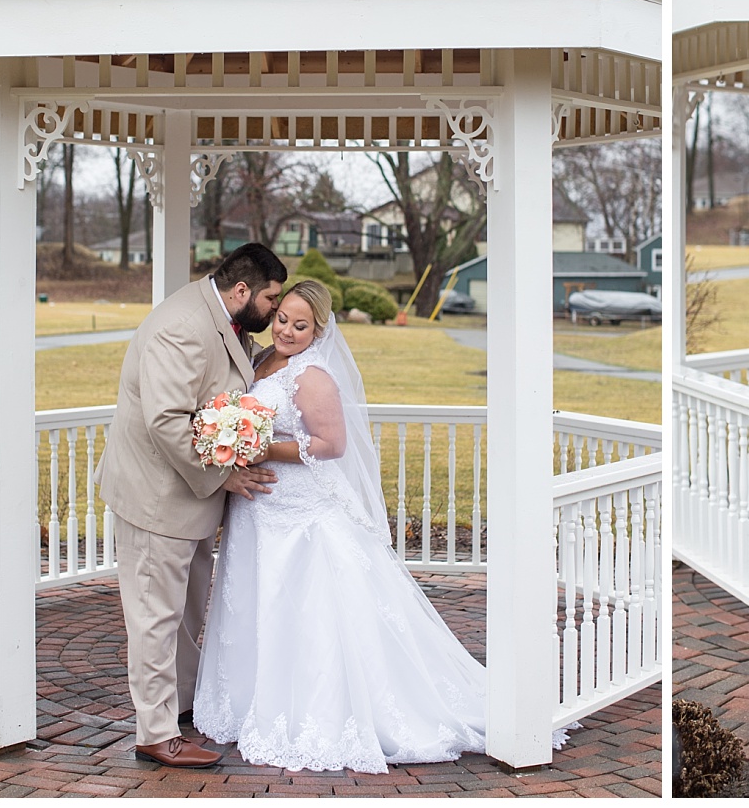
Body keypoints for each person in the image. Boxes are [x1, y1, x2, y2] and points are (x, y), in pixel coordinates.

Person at [193, 279, 499, 772]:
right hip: (258, 511)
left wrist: (261, 448)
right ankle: (252, 699)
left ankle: (318, 707)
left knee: (310, 608)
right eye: (282, 319)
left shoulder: (312, 376)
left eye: (301, 325)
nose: (288, 331)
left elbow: (331, 445)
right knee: (257, 600)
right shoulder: (260, 360)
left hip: (301, 515)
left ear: (319, 329)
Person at [96, 243, 286, 768]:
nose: (274, 309)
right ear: (242, 290)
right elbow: (167, 420)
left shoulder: (224, 318)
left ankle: (179, 705)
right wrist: (226, 474)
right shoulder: (181, 325)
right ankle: (155, 734)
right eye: (271, 299)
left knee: (186, 612)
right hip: (157, 497)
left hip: (191, 499)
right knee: (157, 616)